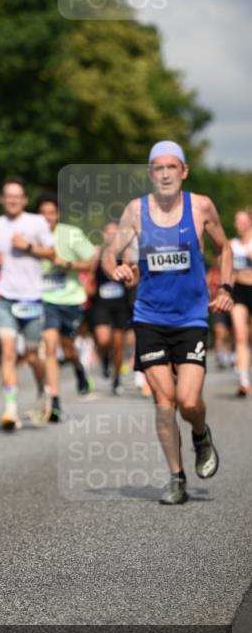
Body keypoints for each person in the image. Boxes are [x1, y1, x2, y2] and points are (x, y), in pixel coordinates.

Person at [104, 141, 234, 505]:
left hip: (191, 317)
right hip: (149, 317)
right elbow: (109, 254)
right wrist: (115, 267)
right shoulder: (136, 211)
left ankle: (200, 433)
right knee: (165, 401)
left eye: (171, 167)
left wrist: (225, 286)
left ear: (184, 171)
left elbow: (224, 248)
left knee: (188, 401)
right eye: (158, 168)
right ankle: (176, 477)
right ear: (150, 174)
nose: (164, 174)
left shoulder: (201, 206)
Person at [0, 178, 55, 430]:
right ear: (2, 199)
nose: (12, 200)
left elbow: (52, 252)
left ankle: (41, 389)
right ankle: (10, 409)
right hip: (4, 296)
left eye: (17, 196)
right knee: (8, 351)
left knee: (33, 355)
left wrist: (28, 246)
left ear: (24, 200)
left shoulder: (36, 222)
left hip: (33, 297)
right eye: (8, 196)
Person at [37, 193, 96, 422]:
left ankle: (79, 369)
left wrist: (68, 263)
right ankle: (55, 401)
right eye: (42, 214)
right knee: (50, 347)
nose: (47, 218)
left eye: (51, 213)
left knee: (68, 348)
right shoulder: (32, 234)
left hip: (70, 299)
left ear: (57, 214)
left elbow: (91, 261)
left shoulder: (71, 234)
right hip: (44, 300)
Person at [90, 221, 134, 395]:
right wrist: (87, 285)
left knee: (117, 345)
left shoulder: (126, 253)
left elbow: (133, 277)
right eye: (109, 232)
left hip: (121, 304)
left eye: (116, 233)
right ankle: (105, 360)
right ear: (103, 234)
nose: (112, 236)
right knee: (102, 340)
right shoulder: (97, 252)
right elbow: (90, 272)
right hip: (101, 303)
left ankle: (116, 379)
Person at [230, 206, 252, 397]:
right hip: (239, 293)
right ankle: (244, 380)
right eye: (237, 221)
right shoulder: (232, 245)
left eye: (242, 220)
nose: (239, 224)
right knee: (240, 335)